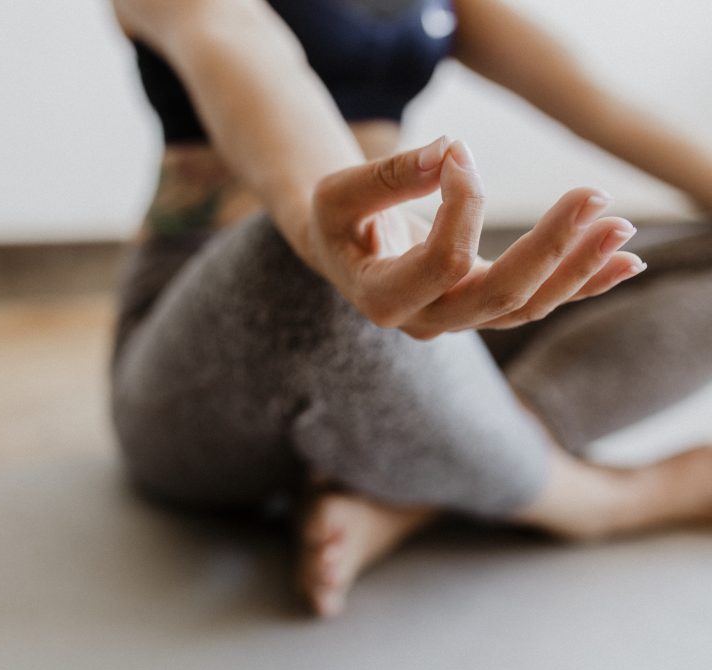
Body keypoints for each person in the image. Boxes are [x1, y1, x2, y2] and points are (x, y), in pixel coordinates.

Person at [108, 0, 712, 617]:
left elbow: (598, 103)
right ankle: (604, 499)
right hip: (206, 351)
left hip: (394, 303)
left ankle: (416, 499)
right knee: (302, 267)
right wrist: (338, 238)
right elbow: (245, 46)